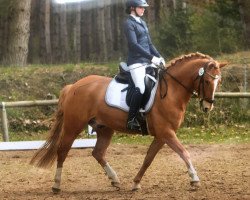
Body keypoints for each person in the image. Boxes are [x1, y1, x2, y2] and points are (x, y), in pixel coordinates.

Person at [124, 0, 165, 131]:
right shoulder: (128, 23)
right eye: (141, 7)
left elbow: (150, 44)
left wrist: (159, 56)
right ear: (132, 8)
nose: (143, 9)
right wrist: (151, 57)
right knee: (140, 87)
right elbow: (134, 45)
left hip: (147, 61)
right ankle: (131, 119)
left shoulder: (142, 23)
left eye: (144, 7)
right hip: (136, 62)